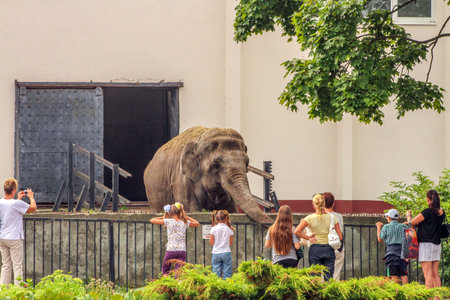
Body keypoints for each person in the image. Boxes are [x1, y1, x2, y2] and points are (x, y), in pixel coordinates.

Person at [295, 193, 343, 281]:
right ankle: (328, 294)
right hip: (328, 248)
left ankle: (316, 294)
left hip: (315, 248)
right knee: (329, 278)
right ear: (324, 203)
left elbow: (297, 231)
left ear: (313, 205)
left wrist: (308, 237)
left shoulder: (309, 218)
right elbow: (340, 236)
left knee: (315, 278)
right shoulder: (332, 218)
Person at [0, 178, 37, 285]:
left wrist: (18, 199)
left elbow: (11, 207)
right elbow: (33, 208)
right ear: (13, 190)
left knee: (6, 265)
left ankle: (3, 290)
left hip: (2, 237)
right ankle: (18, 290)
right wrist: (31, 197)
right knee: (17, 265)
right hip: (14, 237)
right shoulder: (16, 204)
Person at [406, 190, 445, 288]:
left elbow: (412, 223)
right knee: (435, 274)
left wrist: (408, 216)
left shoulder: (427, 212)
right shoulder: (441, 212)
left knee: (428, 275)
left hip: (426, 244)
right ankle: (437, 297)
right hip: (436, 244)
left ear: (428, 199)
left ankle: (429, 297)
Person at [150, 202, 199, 275]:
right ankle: (178, 284)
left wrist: (164, 217)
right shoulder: (185, 222)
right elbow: (197, 223)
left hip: (171, 249)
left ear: (170, 213)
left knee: (165, 269)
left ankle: (166, 284)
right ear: (180, 212)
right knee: (178, 271)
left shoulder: (168, 221)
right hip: (182, 250)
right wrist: (185, 216)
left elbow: (152, 220)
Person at [376, 208, 408, 284]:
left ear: (389, 218)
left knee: (393, 275)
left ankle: (395, 292)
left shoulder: (386, 227)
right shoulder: (403, 227)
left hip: (391, 253)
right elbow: (409, 235)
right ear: (398, 218)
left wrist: (378, 227)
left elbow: (380, 239)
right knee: (404, 274)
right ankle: (406, 291)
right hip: (402, 252)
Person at [323, 192, 345, 281]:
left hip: (324, 246)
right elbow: (341, 232)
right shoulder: (339, 216)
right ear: (333, 203)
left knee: (323, 274)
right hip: (337, 246)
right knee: (336, 274)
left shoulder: (320, 216)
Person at [209, 210, 234, 279]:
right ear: (226, 218)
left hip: (216, 252)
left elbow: (211, 242)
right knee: (227, 273)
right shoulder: (229, 229)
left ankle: (217, 287)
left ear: (216, 219)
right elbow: (230, 243)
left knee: (216, 273)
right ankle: (226, 287)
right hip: (226, 252)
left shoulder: (213, 229)